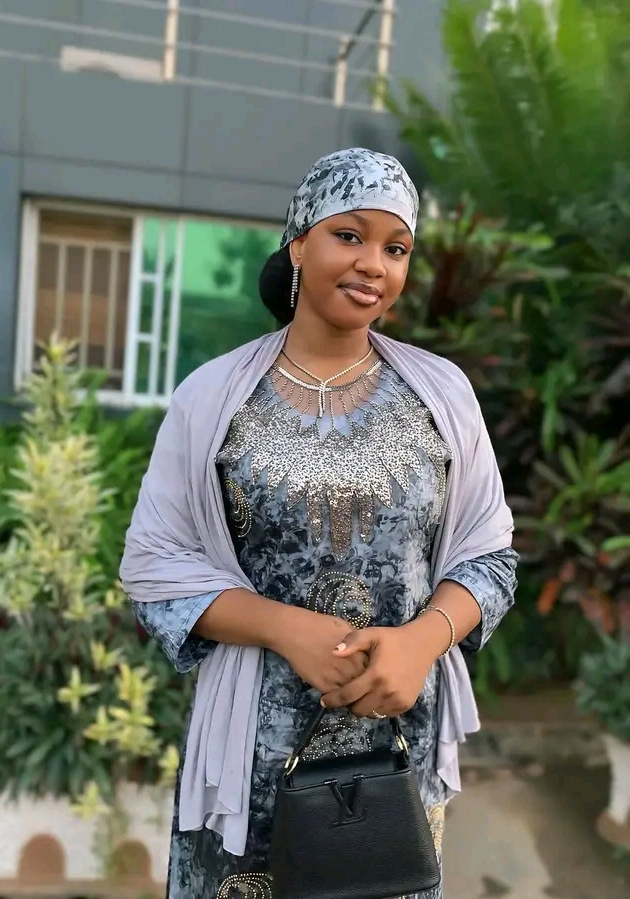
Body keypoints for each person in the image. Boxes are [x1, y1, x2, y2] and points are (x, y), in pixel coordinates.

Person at [120, 148, 518, 899]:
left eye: (396, 248)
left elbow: (490, 558)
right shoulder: (213, 396)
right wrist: (284, 628)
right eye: (350, 235)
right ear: (299, 242)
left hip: (394, 746)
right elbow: (154, 564)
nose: (374, 264)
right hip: (249, 755)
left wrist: (421, 642)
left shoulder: (442, 394)